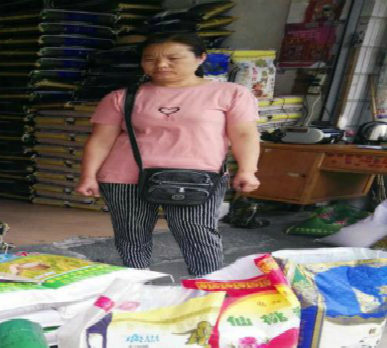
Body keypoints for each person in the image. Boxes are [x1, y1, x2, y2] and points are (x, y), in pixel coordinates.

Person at [76, 33, 261, 277]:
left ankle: (209, 287)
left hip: (198, 178)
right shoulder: (121, 97)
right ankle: (136, 284)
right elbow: (101, 139)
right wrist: (88, 176)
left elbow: (245, 135)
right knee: (131, 234)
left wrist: (247, 170)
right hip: (125, 177)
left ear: (200, 58)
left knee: (196, 233)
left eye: (173, 58)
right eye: (150, 59)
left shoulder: (230, 93)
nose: (161, 65)